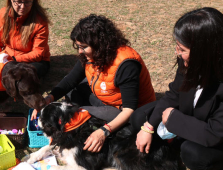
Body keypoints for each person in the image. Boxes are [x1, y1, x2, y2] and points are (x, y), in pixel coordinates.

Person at [131, 7, 223, 170]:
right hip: (190, 116)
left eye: (182, 49)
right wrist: (148, 127)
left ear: (206, 52)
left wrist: (173, 119)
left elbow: (215, 133)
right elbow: (174, 93)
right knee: (139, 118)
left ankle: (215, 169)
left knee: (195, 154)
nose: (178, 53)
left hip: (217, 136)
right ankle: (173, 143)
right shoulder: (189, 60)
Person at [32, 14, 156, 152]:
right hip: (107, 98)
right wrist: (48, 98)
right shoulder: (91, 55)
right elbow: (70, 80)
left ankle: (88, 122)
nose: (80, 51)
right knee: (72, 90)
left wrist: (104, 131)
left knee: (76, 113)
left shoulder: (126, 64)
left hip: (124, 112)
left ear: (99, 44)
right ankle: (84, 116)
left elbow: (129, 110)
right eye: (78, 46)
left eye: (83, 47)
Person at [0, 0, 51, 78]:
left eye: (27, 2)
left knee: (20, 76)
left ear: (33, 0)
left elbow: (38, 53)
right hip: (8, 59)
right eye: (18, 2)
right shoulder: (2, 15)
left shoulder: (40, 21)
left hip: (33, 61)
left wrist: (13, 59)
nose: (22, 7)